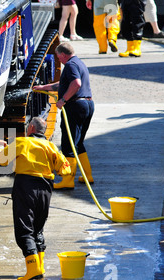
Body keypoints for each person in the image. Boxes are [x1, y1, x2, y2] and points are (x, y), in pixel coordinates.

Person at [0, 117, 71, 280]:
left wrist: (1, 147)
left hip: (25, 187)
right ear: (43, 132)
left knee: (24, 229)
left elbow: (1, 160)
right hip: (45, 189)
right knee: (38, 228)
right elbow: (66, 170)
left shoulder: (22, 142)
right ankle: (40, 266)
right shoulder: (51, 147)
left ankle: (32, 269)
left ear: (30, 128)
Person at [33, 42, 95, 189]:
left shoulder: (70, 65)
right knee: (78, 143)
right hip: (87, 105)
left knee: (68, 145)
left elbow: (76, 84)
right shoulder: (79, 63)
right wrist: (43, 88)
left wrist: (63, 100)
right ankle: (88, 176)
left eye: (58, 57)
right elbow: (63, 84)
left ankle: (67, 180)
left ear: (62, 54)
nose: (58, 60)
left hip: (75, 106)